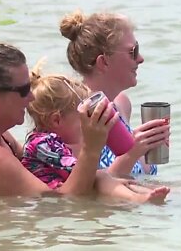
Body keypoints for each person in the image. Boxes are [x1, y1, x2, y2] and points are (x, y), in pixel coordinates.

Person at [0, 41, 119, 197]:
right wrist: (92, 148)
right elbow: (65, 203)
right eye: (24, 90)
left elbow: (46, 172)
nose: (32, 98)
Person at [21, 60, 171, 203]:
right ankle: (137, 199)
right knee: (102, 177)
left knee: (108, 179)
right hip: (54, 201)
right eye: (84, 118)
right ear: (56, 120)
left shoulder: (56, 142)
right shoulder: (43, 143)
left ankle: (143, 196)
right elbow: (84, 171)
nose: (88, 125)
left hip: (69, 192)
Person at [59, 9, 171, 177]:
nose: (140, 58)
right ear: (103, 62)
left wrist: (147, 145)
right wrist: (133, 152)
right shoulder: (76, 117)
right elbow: (85, 190)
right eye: (133, 51)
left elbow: (143, 179)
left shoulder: (121, 104)